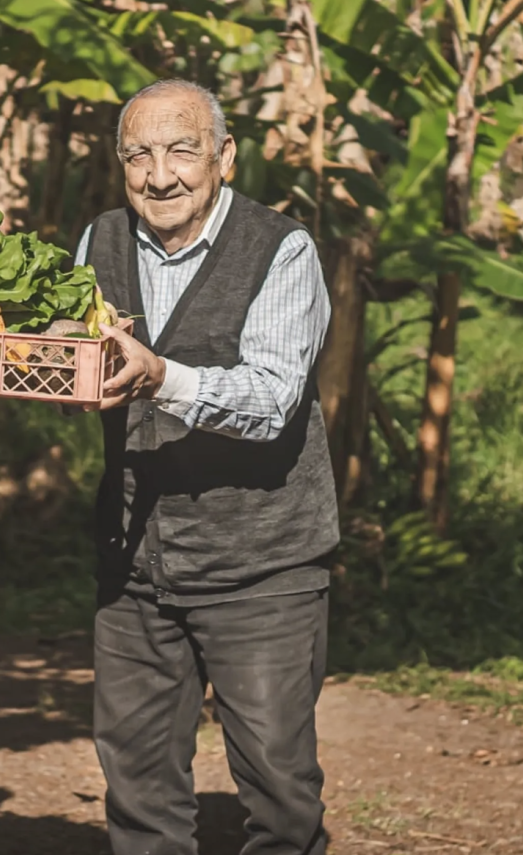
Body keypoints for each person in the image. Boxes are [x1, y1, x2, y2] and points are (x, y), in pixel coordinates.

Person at [76, 79, 339, 855]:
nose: (160, 175)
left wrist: (161, 376)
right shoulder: (99, 242)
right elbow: (79, 365)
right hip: (134, 565)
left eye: (181, 150)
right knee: (138, 787)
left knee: (279, 790)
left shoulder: (280, 249)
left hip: (262, 567)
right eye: (139, 154)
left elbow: (272, 399)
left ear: (222, 155)